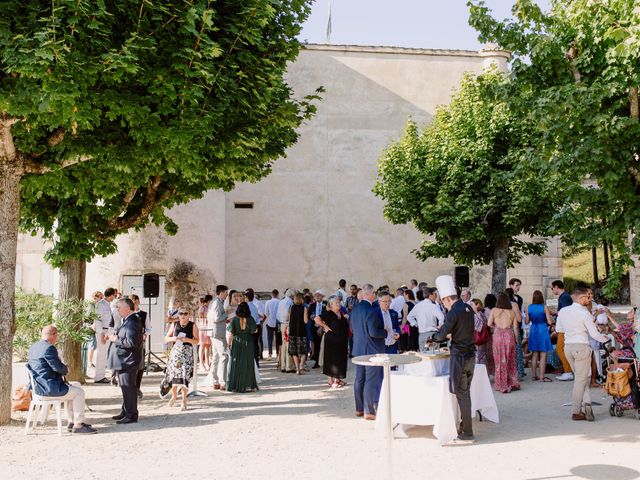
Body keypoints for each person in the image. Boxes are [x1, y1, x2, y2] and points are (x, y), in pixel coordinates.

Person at [431, 275, 476, 444]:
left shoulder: (453, 312)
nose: (444, 304)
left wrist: (434, 337)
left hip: (460, 356)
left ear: (447, 298)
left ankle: (468, 432)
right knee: (466, 392)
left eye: (444, 301)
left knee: (462, 394)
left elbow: (442, 333)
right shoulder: (468, 308)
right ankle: (465, 426)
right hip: (471, 354)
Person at [27, 325, 97, 434]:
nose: (57, 339)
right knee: (79, 392)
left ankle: (72, 422)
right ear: (53, 335)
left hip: (38, 386)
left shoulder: (34, 347)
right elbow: (58, 368)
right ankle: (79, 425)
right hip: (49, 388)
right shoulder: (49, 348)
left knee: (75, 387)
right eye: (57, 336)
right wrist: (66, 369)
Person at [556, 288, 609, 421]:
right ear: (580, 298)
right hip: (581, 345)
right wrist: (606, 339)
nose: (588, 299)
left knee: (581, 377)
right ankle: (576, 411)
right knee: (580, 380)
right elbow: (594, 333)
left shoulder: (563, 311)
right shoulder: (584, 313)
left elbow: (559, 329)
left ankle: (587, 404)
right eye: (586, 297)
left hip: (568, 346)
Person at [351, 283, 386, 420]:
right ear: (370, 294)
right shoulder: (371, 310)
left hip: (358, 347)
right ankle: (369, 410)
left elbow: (353, 329)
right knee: (370, 380)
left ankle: (359, 409)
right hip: (371, 348)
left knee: (359, 379)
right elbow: (374, 332)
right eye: (374, 294)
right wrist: (385, 332)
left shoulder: (355, 309)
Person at [107, 298, 144, 424]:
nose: (117, 310)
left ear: (127, 308)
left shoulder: (132, 322)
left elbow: (131, 342)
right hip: (124, 360)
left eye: (119, 307)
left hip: (128, 361)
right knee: (126, 387)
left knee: (128, 388)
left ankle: (131, 415)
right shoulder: (128, 320)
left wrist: (115, 339)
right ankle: (126, 411)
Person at [164, 308, 199, 410]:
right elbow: (166, 338)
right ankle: (174, 396)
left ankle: (184, 400)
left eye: (185, 313)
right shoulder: (174, 325)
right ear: (178, 315)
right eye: (181, 313)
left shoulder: (193, 325)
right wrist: (174, 338)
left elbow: (197, 341)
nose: (183, 315)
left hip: (187, 353)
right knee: (174, 375)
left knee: (184, 376)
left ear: (189, 314)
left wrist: (187, 339)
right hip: (176, 353)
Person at [487, 293, 520, 394]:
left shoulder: (493, 310)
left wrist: (496, 327)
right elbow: (515, 327)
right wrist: (516, 339)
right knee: (510, 360)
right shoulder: (512, 312)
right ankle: (511, 382)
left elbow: (488, 324)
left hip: (497, 335)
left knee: (499, 360)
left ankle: (500, 384)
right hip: (509, 335)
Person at [315, 295, 349, 387]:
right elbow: (316, 319)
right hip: (331, 341)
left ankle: (337, 379)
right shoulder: (328, 313)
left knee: (340, 359)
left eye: (339, 302)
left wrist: (346, 318)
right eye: (336, 303)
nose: (339, 304)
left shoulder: (341, 313)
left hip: (341, 341)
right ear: (331, 304)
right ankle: (330, 380)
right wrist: (324, 326)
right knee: (331, 360)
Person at [227, 302, 258, 393]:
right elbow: (254, 330)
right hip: (248, 341)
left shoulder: (235, 319)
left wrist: (229, 344)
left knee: (235, 363)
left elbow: (230, 333)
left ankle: (234, 386)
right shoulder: (250, 319)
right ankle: (251, 386)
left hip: (237, 342)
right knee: (248, 363)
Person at [526, 290, 553, 382]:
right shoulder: (544, 307)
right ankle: (542, 377)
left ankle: (533, 376)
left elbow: (526, 321)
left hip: (533, 329)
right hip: (543, 329)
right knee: (543, 354)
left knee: (534, 354)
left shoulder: (529, 307)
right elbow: (549, 322)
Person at [207, 284, 230, 391]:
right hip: (218, 333)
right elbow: (217, 318)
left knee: (216, 357)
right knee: (224, 356)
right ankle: (223, 382)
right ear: (221, 292)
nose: (227, 295)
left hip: (214, 333)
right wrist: (226, 314)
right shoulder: (217, 303)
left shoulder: (215, 302)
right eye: (226, 293)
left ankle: (215, 381)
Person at [407, 287, 444, 352]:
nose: (436, 296)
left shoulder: (418, 306)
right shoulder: (433, 306)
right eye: (435, 294)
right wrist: (440, 326)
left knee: (424, 356)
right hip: (432, 335)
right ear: (430, 295)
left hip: (421, 335)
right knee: (433, 356)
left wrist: (416, 324)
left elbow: (409, 317)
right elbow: (442, 317)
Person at [552, 280, 574, 381]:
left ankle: (568, 371)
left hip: (564, 328)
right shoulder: (564, 297)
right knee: (563, 349)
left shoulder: (564, 297)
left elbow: (565, 313)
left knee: (560, 349)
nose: (552, 290)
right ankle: (568, 369)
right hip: (564, 327)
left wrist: (554, 313)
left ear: (557, 287)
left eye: (552, 288)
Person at [131, 294, 152, 399]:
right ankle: (130, 388)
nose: (135, 304)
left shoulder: (144, 314)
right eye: (132, 302)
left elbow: (149, 328)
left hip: (140, 345)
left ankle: (137, 388)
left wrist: (145, 335)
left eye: (136, 302)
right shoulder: (126, 314)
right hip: (128, 345)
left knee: (140, 366)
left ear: (138, 302)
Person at [93, 287, 116, 384]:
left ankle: (102, 375)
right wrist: (101, 333)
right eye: (114, 295)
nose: (114, 297)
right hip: (102, 331)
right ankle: (99, 377)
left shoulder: (108, 305)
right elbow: (98, 320)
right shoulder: (100, 304)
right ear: (111, 295)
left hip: (108, 331)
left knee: (106, 354)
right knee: (101, 354)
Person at [285, 293, 309, 375]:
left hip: (293, 332)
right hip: (302, 332)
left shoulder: (291, 308)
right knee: (304, 351)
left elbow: (286, 318)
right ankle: (301, 365)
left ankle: (297, 368)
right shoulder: (304, 308)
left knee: (294, 352)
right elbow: (305, 321)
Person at [308, 290, 327, 368]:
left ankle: (325, 361)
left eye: (319, 295)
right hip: (314, 327)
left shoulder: (326, 304)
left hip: (324, 327)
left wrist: (322, 327)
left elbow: (327, 316)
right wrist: (310, 317)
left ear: (322, 296)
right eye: (316, 295)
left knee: (325, 345)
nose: (317, 296)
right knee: (316, 345)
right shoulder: (312, 305)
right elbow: (309, 314)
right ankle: (317, 362)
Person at [471, 298, 490, 367]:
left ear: (477, 305)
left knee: (478, 357)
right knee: (483, 357)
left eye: (472, 304)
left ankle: (478, 375)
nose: (470, 306)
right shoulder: (482, 314)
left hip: (478, 339)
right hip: (483, 338)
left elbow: (478, 328)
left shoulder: (477, 315)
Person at [197, 296, 212, 371]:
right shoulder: (202, 309)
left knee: (208, 346)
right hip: (203, 328)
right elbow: (202, 318)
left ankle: (207, 363)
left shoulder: (208, 308)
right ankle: (201, 364)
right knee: (202, 346)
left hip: (208, 328)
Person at [264, 289, 281, 359]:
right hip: (278, 322)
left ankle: (270, 354)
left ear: (272, 294)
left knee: (269, 339)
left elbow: (266, 313)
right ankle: (277, 354)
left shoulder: (268, 302)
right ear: (277, 294)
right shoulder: (280, 302)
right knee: (278, 339)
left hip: (270, 322)